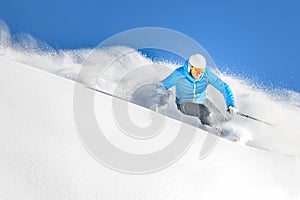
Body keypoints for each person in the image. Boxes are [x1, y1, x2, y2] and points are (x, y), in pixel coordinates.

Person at [159, 53, 238, 131]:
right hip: (184, 104)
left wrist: (231, 104)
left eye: (201, 70)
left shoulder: (206, 74)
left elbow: (224, 87)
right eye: (196, 70)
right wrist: (157, 96)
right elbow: (163, 85)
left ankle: (230, 132)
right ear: (190, 67)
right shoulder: (179, 74)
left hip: (202, 100)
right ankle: (216, 131)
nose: (199, 73)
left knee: (219, 116)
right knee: (203, 110)